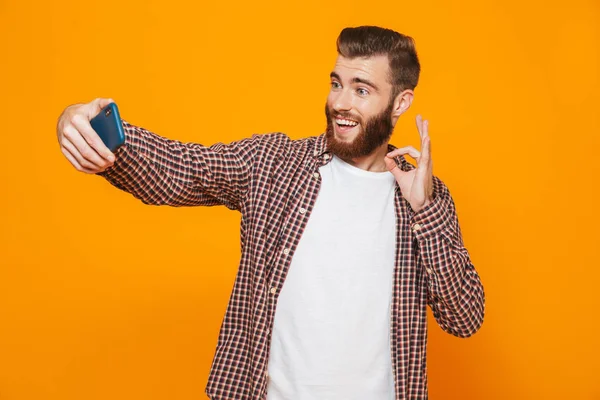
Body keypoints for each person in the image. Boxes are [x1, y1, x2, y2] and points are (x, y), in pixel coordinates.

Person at [56, 25, 485, 400]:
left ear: (400, 102)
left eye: (362, 89)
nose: (340, 102)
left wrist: (424, 210)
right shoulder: (274, 162)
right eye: (336, 83)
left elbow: (464, 317)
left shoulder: (425, 197)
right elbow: (185, 169)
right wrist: (94, 129)